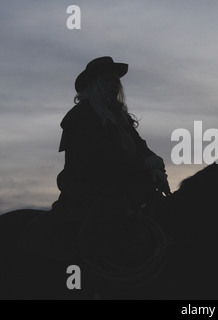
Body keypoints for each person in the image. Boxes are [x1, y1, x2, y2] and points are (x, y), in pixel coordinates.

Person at [19, 57, 170, 262]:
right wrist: (144, 165)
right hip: (91, 190)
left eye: (116, 80)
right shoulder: (80, 117)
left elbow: (141, 147)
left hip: (122, 185)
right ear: (95, 85)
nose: (115, 84)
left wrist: (155, 163)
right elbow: (100, 160)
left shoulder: (119, 118)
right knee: (102, 227)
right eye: (108, 80)